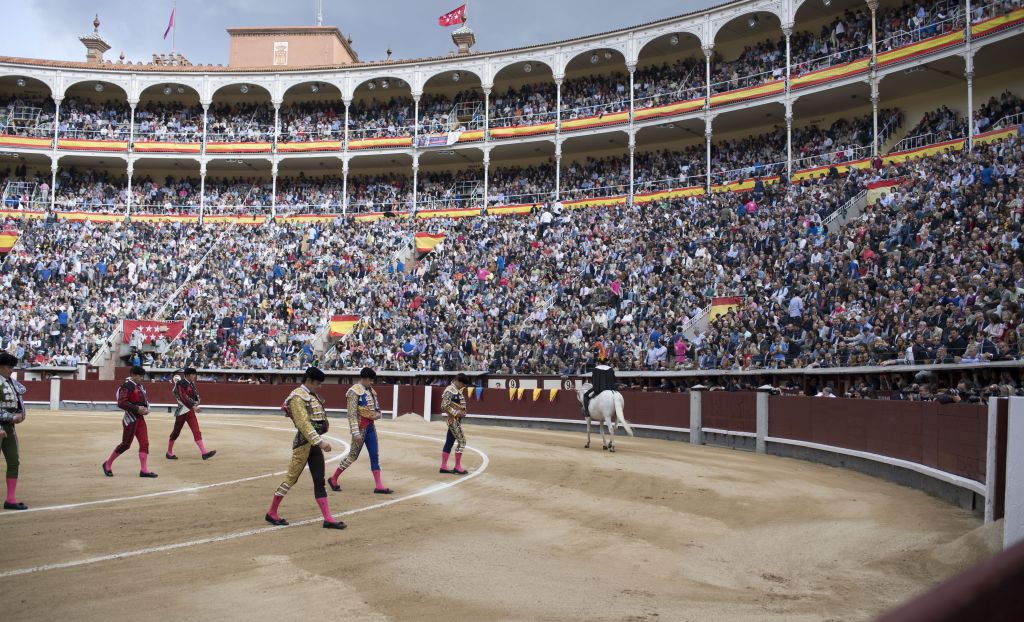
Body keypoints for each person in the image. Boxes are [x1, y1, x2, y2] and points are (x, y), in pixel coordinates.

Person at [265, 366, 344, 529]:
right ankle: (271, 512)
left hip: (312, 444)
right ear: (309, 380)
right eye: (317, 383)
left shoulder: (310, 395)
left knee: (319, 480)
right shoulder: (297, 397)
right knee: (291, 478)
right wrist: (320, 442)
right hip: (303, 444)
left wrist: (317, 442)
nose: (319, 387)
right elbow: (303, 423)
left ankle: (328, 518)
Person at [328, 367, 394, 494]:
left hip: (370, 427)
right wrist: (355, 432)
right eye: (371, 380)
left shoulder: (371, 391)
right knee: (353, 456)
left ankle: (379, 485)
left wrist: (377, 414)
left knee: (374, 455)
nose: (372, 383)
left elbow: (377, 409)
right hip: (360, 428)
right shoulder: (353, 392)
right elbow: (351, 414)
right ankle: (333, 478)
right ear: (365, 379)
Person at [102, 365, 158, 478]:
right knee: (126, 444)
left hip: (140, 419)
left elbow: (144, 401)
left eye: (142, 376)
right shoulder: (127, 386)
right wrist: (137, 409)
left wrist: (147, 409)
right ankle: (107, 464)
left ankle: (144, 470)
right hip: (130, 419)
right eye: (140, 376)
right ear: (133, 375)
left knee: (144, 443)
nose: (142, 378)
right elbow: (121, 402)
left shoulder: (140, 387)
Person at [166, 367, 216, 461]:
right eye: (193, 374)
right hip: (182, 411)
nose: (195, 376)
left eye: (195, 374)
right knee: (176, 432)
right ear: (187, 375)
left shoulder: (191, 384)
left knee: (196, 431)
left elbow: (195, 395)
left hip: (190, 411)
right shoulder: (180, 383)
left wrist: (197, 401)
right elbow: (183, 397)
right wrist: (193, 406)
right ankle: (169, 452)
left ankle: (204, 453)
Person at [0, 352, 28, 510]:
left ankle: (10, 499)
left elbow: (19, 403)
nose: (11, 370)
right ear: (1, 367)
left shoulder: (12, 383)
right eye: (9, 367)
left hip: (9, 428)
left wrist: (21, 415)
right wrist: (12, 417)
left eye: (12, 367)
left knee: (13, 461)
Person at [439, 373, 471, 475]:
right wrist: (456, 412)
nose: (463, 387)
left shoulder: (454, 390)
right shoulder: (450, 390)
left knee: (449, 442)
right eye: (463, 384)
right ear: (458, 381)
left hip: (454, 419)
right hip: (453, 420)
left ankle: (443, 466)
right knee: (462, 442)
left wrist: (461, 412)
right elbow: (444, 405)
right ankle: (457, 467)